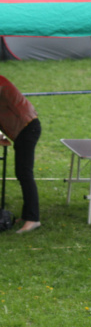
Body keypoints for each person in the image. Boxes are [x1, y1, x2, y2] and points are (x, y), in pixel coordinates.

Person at [0, 76, 41, 234]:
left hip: (27, 129)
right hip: (24, 129)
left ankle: (33, 219)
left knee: (25, 174)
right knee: (22, 173)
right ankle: (27, 215)